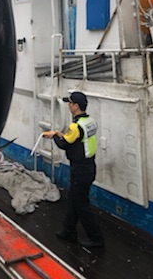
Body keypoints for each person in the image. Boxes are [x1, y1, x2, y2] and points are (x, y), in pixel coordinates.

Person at [43, 91, 104, 248]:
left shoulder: (76, 126)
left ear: (76, 106)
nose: (68, 105)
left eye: (70, 103)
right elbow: (74, 138)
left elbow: (64, 143)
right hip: (89, 166)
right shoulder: (89, 121)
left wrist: (55, 135)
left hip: (80, 170)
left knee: (81, 204)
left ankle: (96, 238)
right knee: (74, 199)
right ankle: (69, 231)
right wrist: (58, 134)